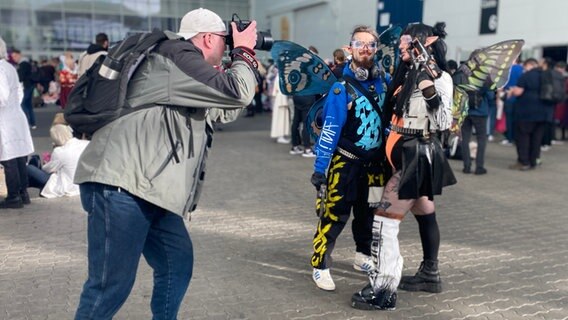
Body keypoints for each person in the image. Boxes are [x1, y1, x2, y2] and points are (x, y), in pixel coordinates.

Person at [72, 7, 259, 319]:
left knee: (177, 263)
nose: (227, 47)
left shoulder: (186, 72)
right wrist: (245, 53)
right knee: (109, 286)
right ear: (208, 38)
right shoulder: (177, 54)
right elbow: (237, 92)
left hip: (149, 191)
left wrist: (241, 64)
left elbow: (226, 109)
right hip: (121, 187)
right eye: (226, 41)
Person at [351, 22, 456, 310]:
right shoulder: (408, 74)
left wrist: (428, 85)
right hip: (406, 156)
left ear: (424, 44)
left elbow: (444, 122)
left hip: (417, 157)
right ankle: (430, 274)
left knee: (384, 220)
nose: (400, 46)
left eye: (406, 42)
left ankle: (384, 291)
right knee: (424, 211)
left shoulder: (440, 78)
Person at [309, 25, 391, 291]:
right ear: (350, 49)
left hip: (376, 166)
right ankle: (320, 264)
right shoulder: (340, 89)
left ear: (377, 50)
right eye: (360, 44)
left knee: (369, 215)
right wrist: (320, 168)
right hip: (346, 164)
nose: (366, 49)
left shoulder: (385, 82)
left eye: (371, 45)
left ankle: (362, 256)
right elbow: (330, 130)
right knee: (334, 215)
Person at [0, 37, 35, 209]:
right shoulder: (9, 67)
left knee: (9, 158)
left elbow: (1, 97)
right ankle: (23, 193)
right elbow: (18, 92)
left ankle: (13, 196)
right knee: (19, 155)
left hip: (5, 118)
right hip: (15, 115)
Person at [508, 58, 553, 170]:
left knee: (523, 137)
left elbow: (518, 92)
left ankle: (524, 161)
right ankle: (534, 160)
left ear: (528, 65)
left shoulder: (526, 76)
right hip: (543, 113)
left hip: (526, 113)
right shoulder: (545, 75)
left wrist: (512, 91)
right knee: (536, 139)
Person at [26, 124, 89, 198]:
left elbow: (48, 169)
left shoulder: (59, 151)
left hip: (67, 185)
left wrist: (45, 163)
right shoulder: (85, 143)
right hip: (82, 184)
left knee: (29, 168)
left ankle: (22, 190)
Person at [10, 49, 37, 129]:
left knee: (23, 104)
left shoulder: (23, 64)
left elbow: (20, 77)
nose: (14, 58)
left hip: (26, 86)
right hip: (30, 85)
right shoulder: (27, 62)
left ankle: (26, 122)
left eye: (15, 56)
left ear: (19, 55)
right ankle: (32, 123)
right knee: (28, 105)